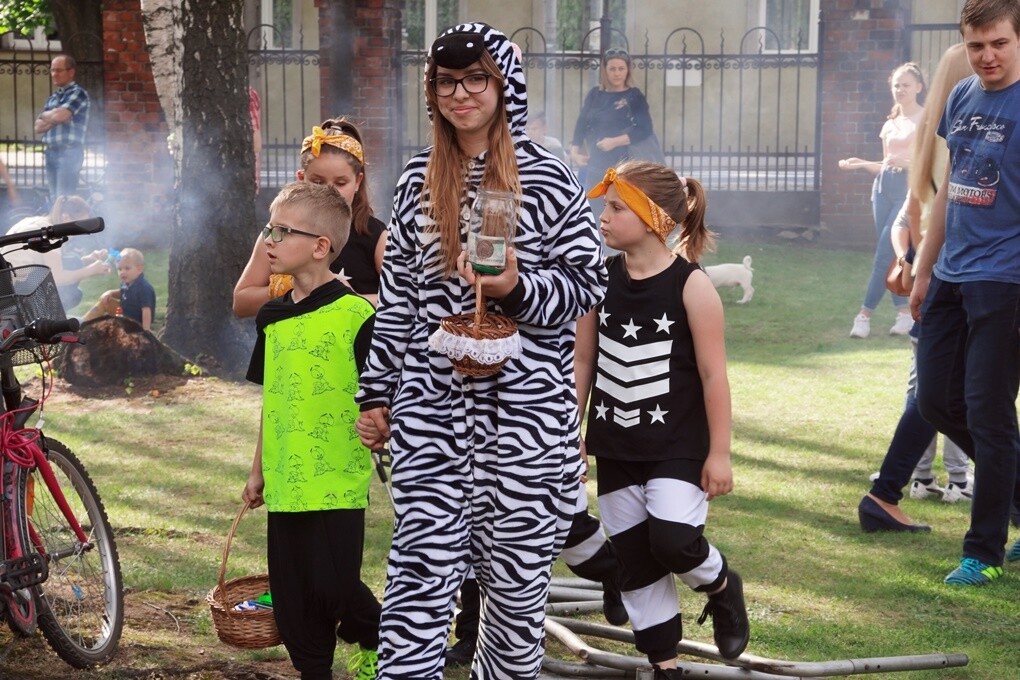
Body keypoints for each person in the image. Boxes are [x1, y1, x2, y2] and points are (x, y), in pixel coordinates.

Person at [355, 22, 606, 679]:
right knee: (417, 586)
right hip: (433, 418)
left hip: (527, 425)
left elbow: (588, 284)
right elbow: (399, 301)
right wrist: (377, 392)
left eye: (475, 80)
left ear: (504, 86)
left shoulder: (549, 177)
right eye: (446, 82)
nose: (460, 94)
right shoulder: (416, 179)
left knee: (516, 602)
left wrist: (517, 289)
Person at [576, 161, 749, 678]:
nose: (603, 217)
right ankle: (664, 666)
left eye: (616, 208)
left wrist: (720, 453)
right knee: (636, 562)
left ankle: (722, 585)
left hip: (678, 445)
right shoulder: (598, 281)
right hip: (615, 444)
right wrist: (569, 436)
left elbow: (714, 376)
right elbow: (584, 361)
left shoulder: (692, 285)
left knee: (672, 541)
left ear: (654, 219)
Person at [242, 181, 381, 680]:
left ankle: (375, 635)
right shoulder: (272, 317)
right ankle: (313, 672)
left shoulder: (358, 315)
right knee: (293, 596)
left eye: (282, 231)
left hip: (337, 479)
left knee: (335, 587)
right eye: (269, 229)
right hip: (285, 478)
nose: (269, 240)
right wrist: (258, 470)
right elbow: (272, 399)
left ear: (321, 246)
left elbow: (381, 397)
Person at [910, 0, 1020, 584]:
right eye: (977, 45)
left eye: (999, 43)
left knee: (988, 412)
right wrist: (925, 269)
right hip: (951, 273)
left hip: (1006, 281)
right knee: (935, 401)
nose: (987, 56)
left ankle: (983, 552)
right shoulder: (962, 96)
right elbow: (951, 188)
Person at [858, 44, 977, 534]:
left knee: (933, 393)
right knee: (953, 396)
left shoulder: (928, 131)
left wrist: (914, 261)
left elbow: (911, 210)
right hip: (959, 272)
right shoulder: (965, 131)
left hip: (934, 269)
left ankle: (887, 492)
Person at [445, 481, 626, 667]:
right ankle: (474, 633)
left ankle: (615, 571)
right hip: (485, 469)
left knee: (571, 531)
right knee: (477, 534)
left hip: (547, 467)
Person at [233, 117, 387, 313]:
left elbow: (404, 298)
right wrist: (288, 288)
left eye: (340, 183)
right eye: (317, 182)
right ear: (301, 179)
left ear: (358, 182)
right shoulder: (277, 232)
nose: (329, 191)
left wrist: (348, 299)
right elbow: (241, 303)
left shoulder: (375, 235)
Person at [839, 63, 926, 338]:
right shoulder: (890, 123)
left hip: (907, 189)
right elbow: (885, 165)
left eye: (906, 85)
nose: (900, 90)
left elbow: (929, 164)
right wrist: (860, 163)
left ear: (919, 88)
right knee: (889, 254)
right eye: (896, 85)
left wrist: (907, 163)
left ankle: (863, 316)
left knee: (883, 255)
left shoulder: (926, 119)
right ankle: (904, 315)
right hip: (882, 189)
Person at [2, 195, 109, 312]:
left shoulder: (36, 221)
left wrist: (87, 259)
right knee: (75, 293)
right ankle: (47, 317)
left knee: (74, 261)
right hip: (15, 289)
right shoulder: (50, 233)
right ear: (65, 217)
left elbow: (48, 262)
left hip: (5, 281)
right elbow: (57, 277)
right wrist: (91, 270)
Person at [34, 55, 90, 203]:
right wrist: (53, 117)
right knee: (55, 200)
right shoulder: (53, 98)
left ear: (71, 72)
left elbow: (59, 116)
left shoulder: (78, 93)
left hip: (69, 152)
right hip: (51, 152)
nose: (54, 74)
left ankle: (66, 219)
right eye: (52, 70)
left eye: (59, 70)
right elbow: (37, 127)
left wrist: (51, 117)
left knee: (63, 200)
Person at [84, 248, 156, 331]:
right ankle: (84, 321)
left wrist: (145, 331)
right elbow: (123, 292)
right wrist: (110, 293)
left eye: (127, 268)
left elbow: (146, 310)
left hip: (136, 323)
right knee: (105, 301)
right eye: (119, 269)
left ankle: (84, 323)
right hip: (124, 315)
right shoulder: (127, 282)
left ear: (139, 269)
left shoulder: (143, 288)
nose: (122, 272)